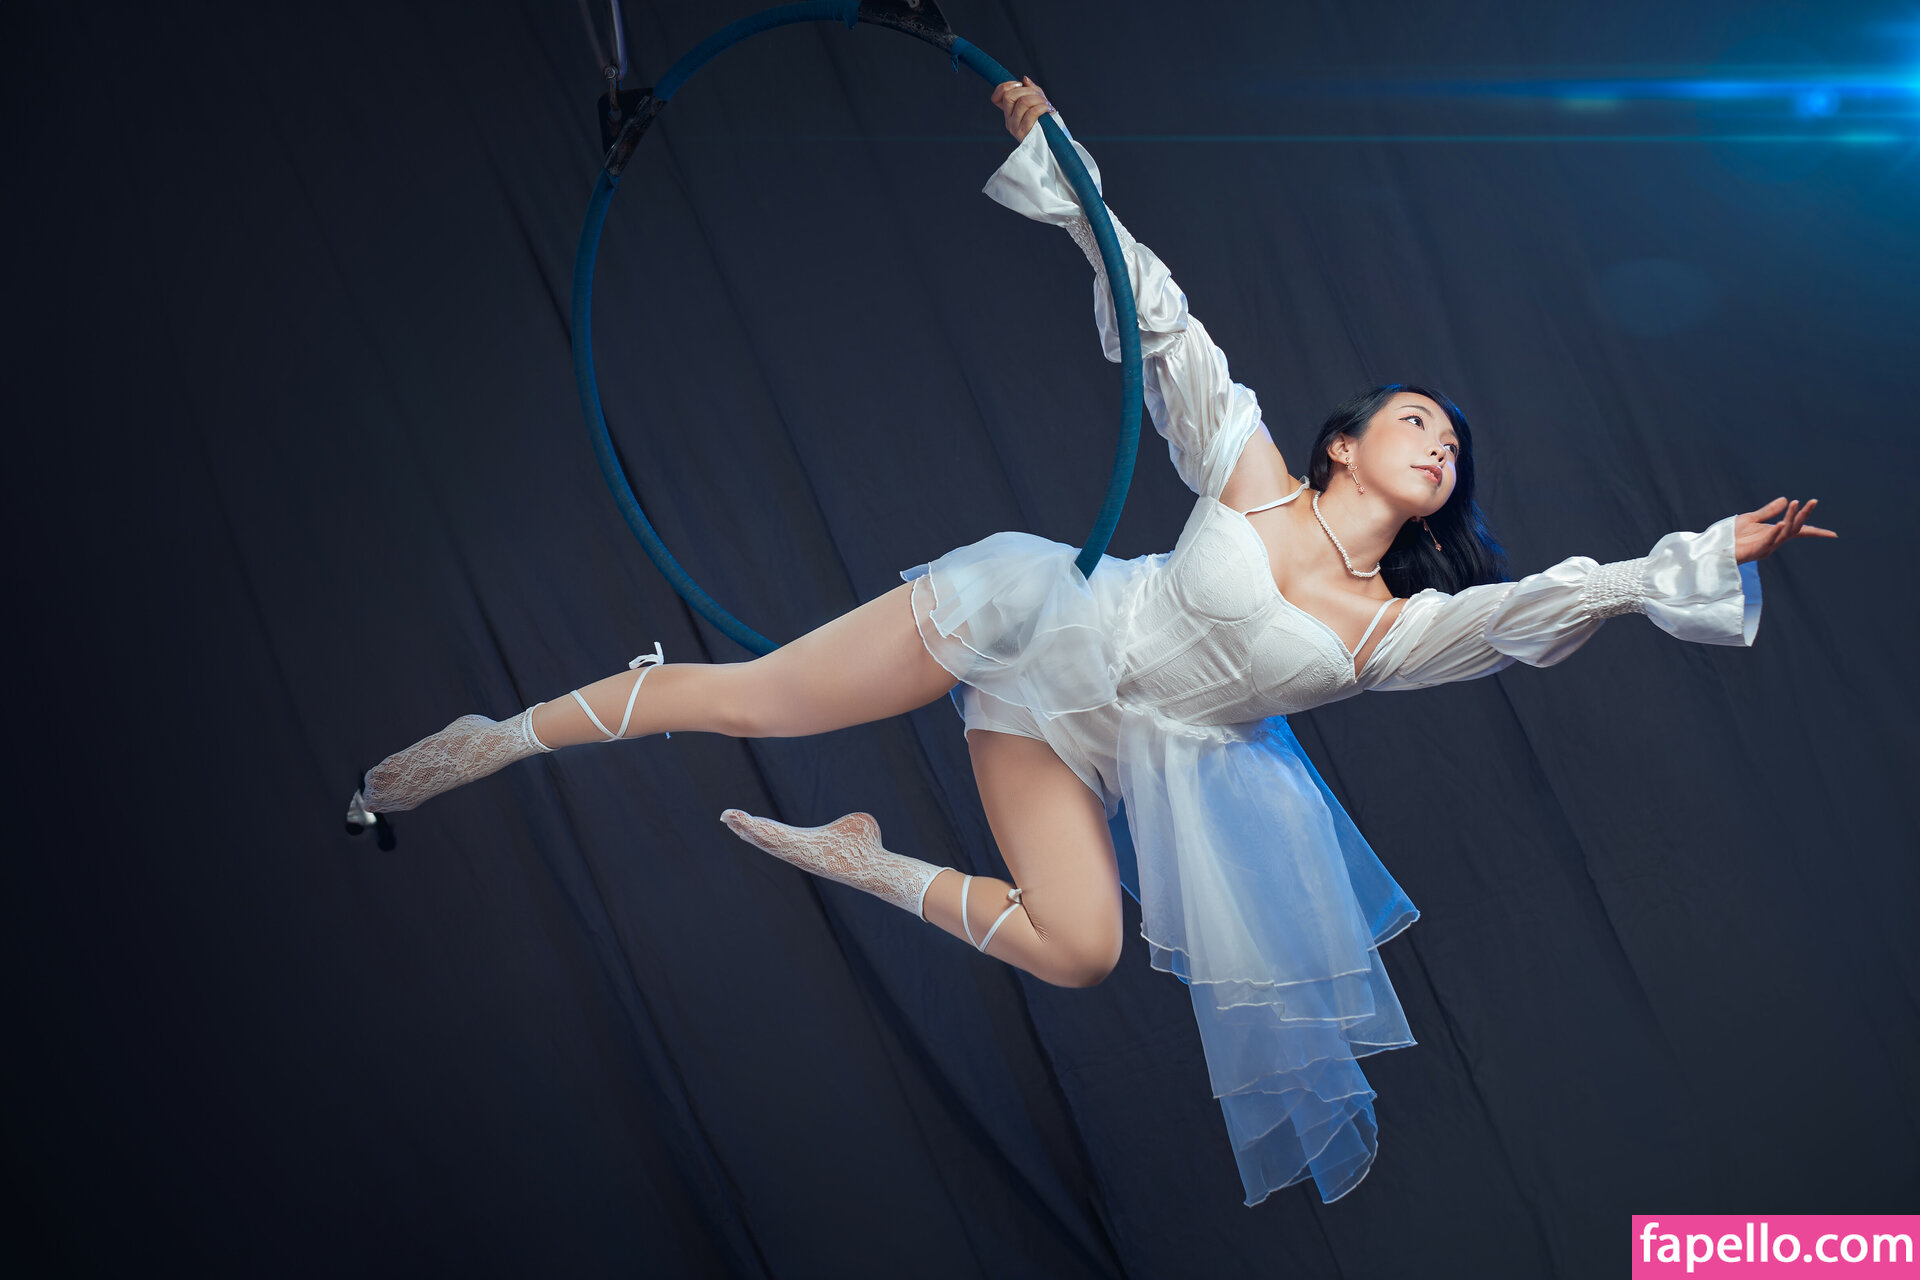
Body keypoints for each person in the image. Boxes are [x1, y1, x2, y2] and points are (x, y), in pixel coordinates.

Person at [345, 77, 1835, 1206]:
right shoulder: (1253, 476)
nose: (1438, 441)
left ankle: (862, 858)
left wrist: (1699, 557)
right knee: (748, 699)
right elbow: (1163, 324)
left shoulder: (1395, 630)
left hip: (1070, 740)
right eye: (1414, 417)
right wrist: (1062, 163)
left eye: (1452, 443)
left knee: (1083, 949)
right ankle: (493, 739)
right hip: (1025, 614)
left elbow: (1538, 608)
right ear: (1346, 441)